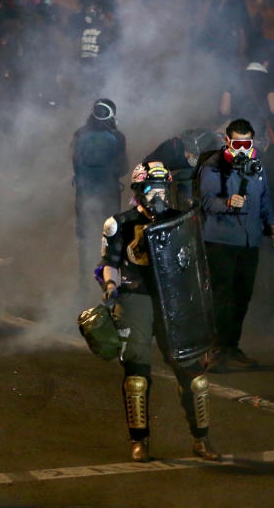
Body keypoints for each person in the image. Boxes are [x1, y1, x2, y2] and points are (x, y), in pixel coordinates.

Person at [96, 163, 221, 462]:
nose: (159, 195)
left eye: (163, 188)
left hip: (175, 302)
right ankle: (139, 440)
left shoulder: (180, 222)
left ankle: (201, 439)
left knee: (194, 377)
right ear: (139, 191)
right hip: (136, 299)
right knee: (136, 377)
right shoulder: (120, 223)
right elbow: (108, 261)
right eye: (152, 189)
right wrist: (110, 284)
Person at [197, 118, 274, 371]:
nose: (243, 148)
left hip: (249, 242)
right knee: (220, 297)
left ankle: (231, 347)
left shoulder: (257, 167)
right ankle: (214, 348)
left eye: (247, 143)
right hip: (221, 241)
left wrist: (272, 226)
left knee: (241, 297)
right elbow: (207, 202)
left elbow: (264, 197)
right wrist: (227, 203)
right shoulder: (213, 167)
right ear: (227, 141)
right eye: (238, 143)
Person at [71, 99, 127, 306]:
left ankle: (83, 283)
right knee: (111, 237)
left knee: (85, 238)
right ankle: (109, 282)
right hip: (109, 193)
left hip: (84, 193)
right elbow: (122, 168)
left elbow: (75, 164)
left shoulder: (79, 134)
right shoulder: (117, 137)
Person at [142, 128, 222, 209]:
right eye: (191, 154)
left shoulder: (207, 142)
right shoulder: (168, 151)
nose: (191, 157)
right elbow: (145, 169)